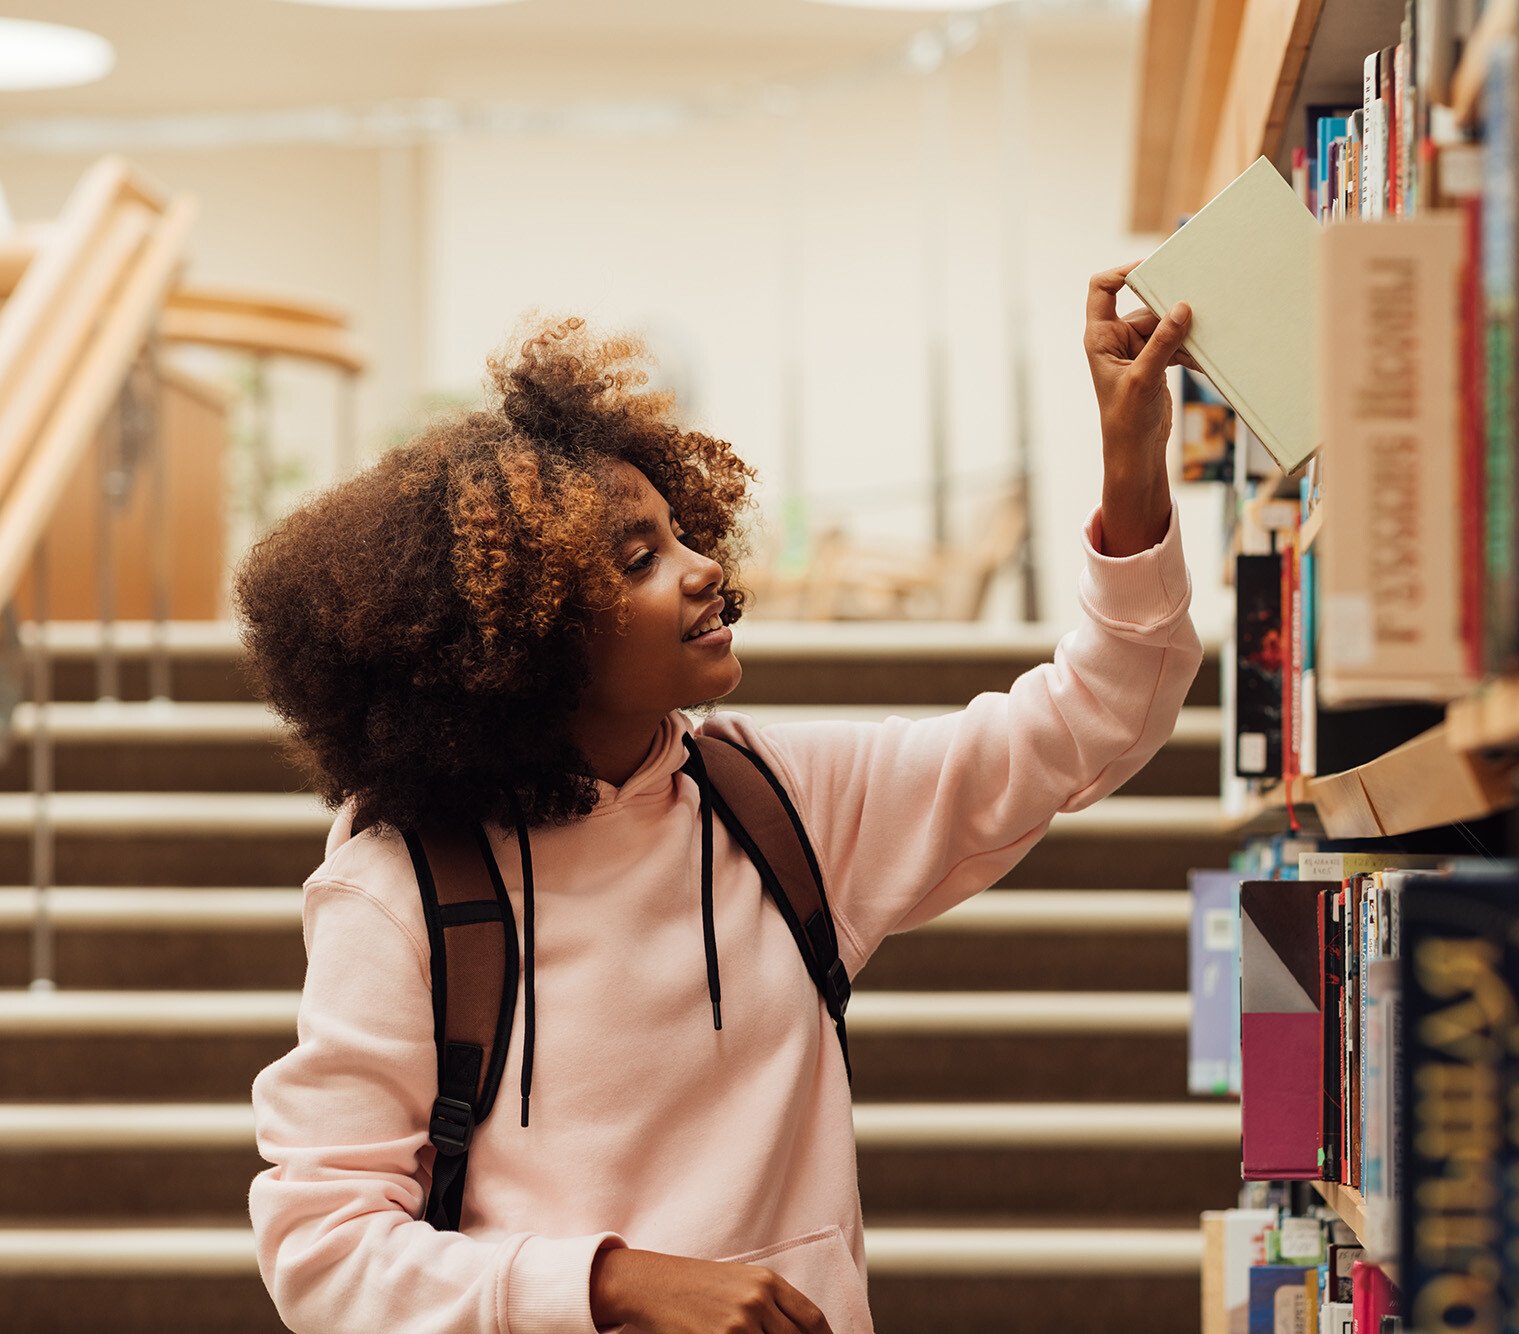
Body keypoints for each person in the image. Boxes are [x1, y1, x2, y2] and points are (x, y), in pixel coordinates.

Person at [240, 268, 1202, 1334]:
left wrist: (1130, 467)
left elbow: (1093, 716)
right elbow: (321, 1248)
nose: (703, 569)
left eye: (680, 533)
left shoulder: (777, 802)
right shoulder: (399, 885)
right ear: (523, 633)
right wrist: (611, 1282)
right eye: (638, 557)